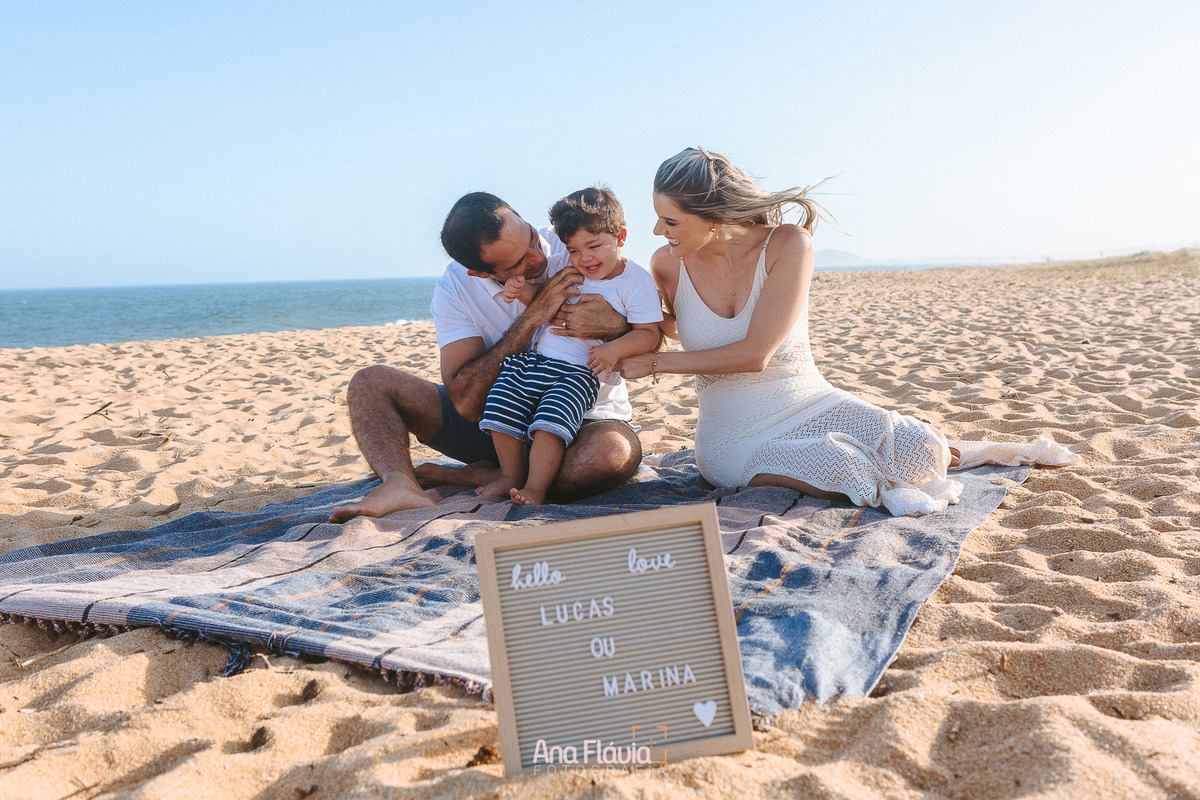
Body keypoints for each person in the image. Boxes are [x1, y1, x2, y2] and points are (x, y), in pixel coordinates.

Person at [616, 148, 962, 516]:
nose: (658, 231)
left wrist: (656, 364)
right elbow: (679, 327)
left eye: (670, 221)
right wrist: (623, 321)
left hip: (810, 402)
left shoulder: (788, 245)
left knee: (923, 450)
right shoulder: (667, 263)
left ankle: (903, 448)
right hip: (733, 435)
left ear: (714, 218)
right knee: (846, 468)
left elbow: (755, 354)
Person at [328, 192, 642, 523]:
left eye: (531, 239)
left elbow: (650, 335)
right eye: (518, 262)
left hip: (583, 424)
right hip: (495, 423)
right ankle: (399, 483)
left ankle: (487, 476)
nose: (537, 257)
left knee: (614, 454)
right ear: (479, 273)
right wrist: (532, 316)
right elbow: (466, 402)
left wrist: (617, 326)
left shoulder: (577, 243)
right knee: (370, 383)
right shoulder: (454, 289)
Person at [476, 187, 662, 506]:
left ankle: (535, 487)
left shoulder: (636, 282)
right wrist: (520, 289)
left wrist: (614, 349)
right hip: (536, 361)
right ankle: (509, 475)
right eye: (574, 249)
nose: (584, 258)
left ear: (620, 237)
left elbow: (648, 334)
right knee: (501, 399)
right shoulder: (565, 264)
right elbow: (543, 300)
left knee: (550, 423)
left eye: (594, 246)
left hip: (578, 373)